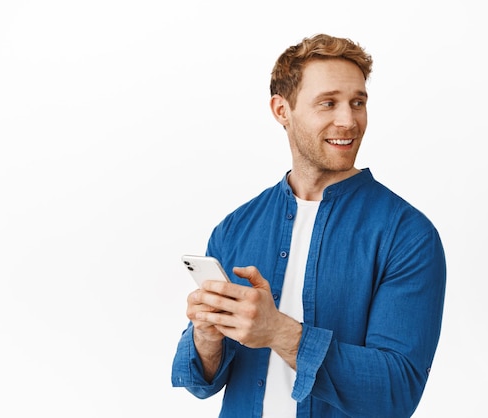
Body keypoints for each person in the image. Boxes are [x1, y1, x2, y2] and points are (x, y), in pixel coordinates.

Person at [171, 33, 446, 418]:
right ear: (282, 110)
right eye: (328, 103)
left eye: (358, 102)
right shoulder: (235, 228)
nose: (349, 121)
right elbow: (198, 382)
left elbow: (395, 391)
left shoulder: (408, 235)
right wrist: (207, 338)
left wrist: (278, 331)